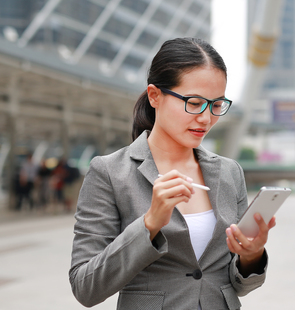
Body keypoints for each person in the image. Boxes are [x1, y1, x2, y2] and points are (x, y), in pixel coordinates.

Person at [69, 38, 275, 310]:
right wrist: (149, 224)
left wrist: (252, 255)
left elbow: (236, 284)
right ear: (155, 95)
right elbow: (85, 288)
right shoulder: (110, 172)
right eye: (194, 102)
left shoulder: (229, 172)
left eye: (216, 105)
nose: (205, 118)